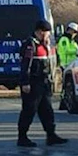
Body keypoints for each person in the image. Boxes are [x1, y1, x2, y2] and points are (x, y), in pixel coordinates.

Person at [17, 20, 69, 148]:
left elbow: (53, 62)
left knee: (47, 110)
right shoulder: (30, 45)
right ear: (40, 32)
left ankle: (51, 135)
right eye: (47, 32)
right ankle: (22, 137)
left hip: (45, 82)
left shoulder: (47, 45)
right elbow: (25, 65)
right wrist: (25, 82)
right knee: (29, 110)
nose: (48, 35)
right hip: (33, 82)